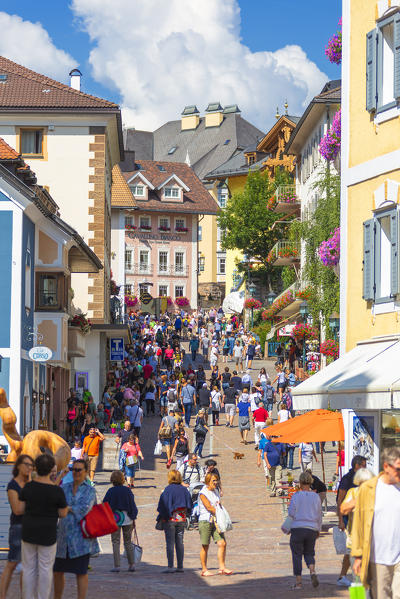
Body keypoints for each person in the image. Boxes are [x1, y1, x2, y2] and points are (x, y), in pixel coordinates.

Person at [351, 446, 400, 597]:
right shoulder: (369, 489)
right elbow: (359, 523)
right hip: (378, 557)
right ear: (386, 466)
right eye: (398, 468)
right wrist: (358, 555)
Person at [19, 454, 68, 599]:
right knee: (45, 569)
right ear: (51, 469)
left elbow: (21, 508)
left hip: (28, 531)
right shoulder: (57, 491)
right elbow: (63, 513)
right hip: (48, 533)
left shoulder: (28, 487)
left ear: (36, 468)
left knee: (28, 569)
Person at [53, 459, 98, 599]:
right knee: (57, 571)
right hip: (63, 537)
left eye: (79, 470)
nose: (76, 473)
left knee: (81, 572)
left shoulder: (90, 490)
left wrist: (67, 508)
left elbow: (84, 508)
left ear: (85, 472)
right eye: (74, 470)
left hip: (81, 538)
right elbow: (54, 499)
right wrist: (60, 476)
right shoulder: (65, 487)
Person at [0, 455, 34, 599]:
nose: (29, 468)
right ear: (18, 466)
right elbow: (17, 510)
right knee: (12, 563)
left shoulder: (30, 484)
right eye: (26, 464)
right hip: (18, 527)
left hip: (31, 527)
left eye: (31, 465)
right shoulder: (13, 485)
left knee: (27, 567)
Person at [287, 470, 322, 590]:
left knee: (297, 554)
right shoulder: (316, 497)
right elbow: (319, 514)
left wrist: (287, 527)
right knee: (309, 552)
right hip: (311, 528)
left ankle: (299, 582)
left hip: (298, 528)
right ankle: (312, 571)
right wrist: (318, 529)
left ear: (300, 483)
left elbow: (291, 513)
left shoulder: (296, 496)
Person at [336, 454, 367, 587]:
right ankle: (346, 577)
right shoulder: (347, 480)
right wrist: (340, 520)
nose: (365, 468)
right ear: (357, 466)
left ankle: (343, 576)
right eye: (364, 466)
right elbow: (339, 501)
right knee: (352, 551)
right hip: (348, 518)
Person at [157, 470, 193, 573]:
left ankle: (170, 566)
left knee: (170, 543)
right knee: (180, 542)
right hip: (181, 519)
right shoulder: (184, 490)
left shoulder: (168, 490)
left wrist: (163, 516)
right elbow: (189, 504)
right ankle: (180, 566)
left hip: (170, 519)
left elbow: (163, 506)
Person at [198, 472, 233, 577]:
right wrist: (220, 513)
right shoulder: (203, 493)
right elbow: (209, 507)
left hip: (216, 521)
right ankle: (204, 569)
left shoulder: (216, 491)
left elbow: (218, 505)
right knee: (205, 545)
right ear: (208, 481)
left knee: (222, 543)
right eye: (213, 480)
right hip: (205, 521)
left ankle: (222, 567)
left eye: (216, 480)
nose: (216, 482)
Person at [103, 470, 138, 573]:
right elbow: (132, 505)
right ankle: (131, 564)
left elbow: (105, 504)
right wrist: (134, 516)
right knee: (128, 542)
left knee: (115, 542)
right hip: (128, 518)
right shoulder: (127, 491)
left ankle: (117, 565)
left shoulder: (111, 491)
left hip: (115, 518)